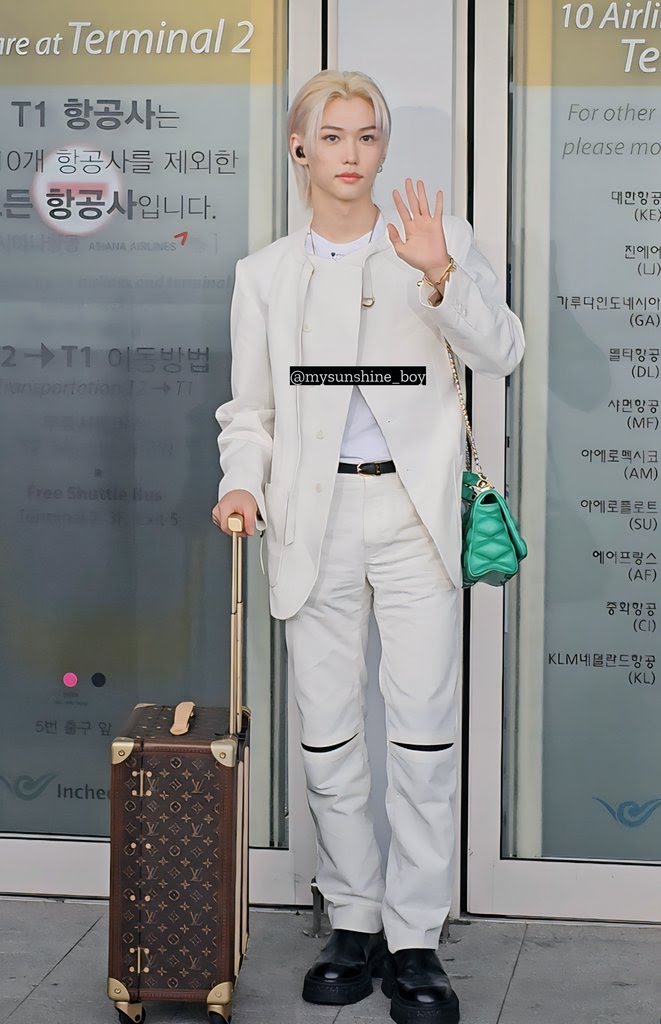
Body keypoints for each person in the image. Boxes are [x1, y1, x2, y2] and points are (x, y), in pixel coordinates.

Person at [212, 69, 525, 1024]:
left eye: (368, 135)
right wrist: (240, 479)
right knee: (328, 730)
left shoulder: (434, 237)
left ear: (382, 147)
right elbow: (252, 408)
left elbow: (502, 351)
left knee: (423, 731)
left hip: (412, 515)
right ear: (300, 149)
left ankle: (415, 935)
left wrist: (438, 276)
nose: (352, 153)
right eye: (333, 136)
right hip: (312, 521)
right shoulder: (265, 274)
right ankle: (351, 917)